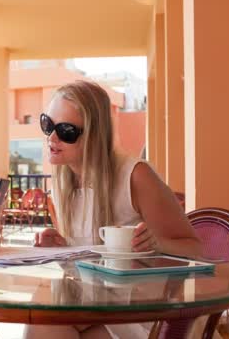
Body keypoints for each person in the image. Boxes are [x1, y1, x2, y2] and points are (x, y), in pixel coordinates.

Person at [25, 80, 203, 339]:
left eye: (66, 131)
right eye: (47, 125)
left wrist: (157, 244)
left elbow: (196, 249)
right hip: (91, 306)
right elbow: (90, 263)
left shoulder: (135, 177)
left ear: (95, 135)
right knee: (40, 323)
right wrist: (62, 249)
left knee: (47, 327)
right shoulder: (64, 185)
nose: (52, 137)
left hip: (140, 313)